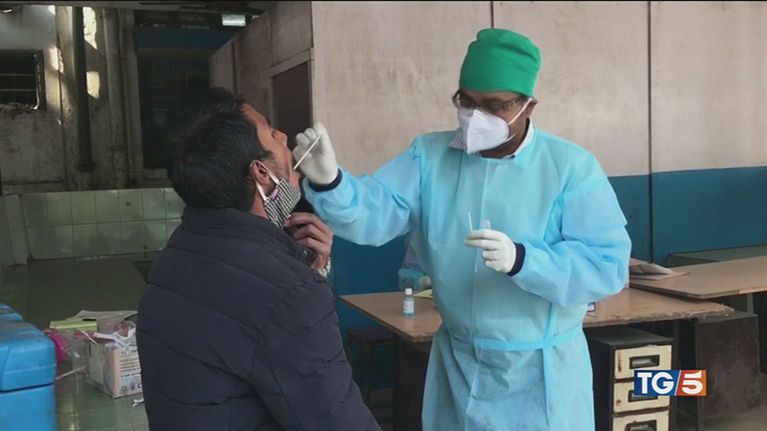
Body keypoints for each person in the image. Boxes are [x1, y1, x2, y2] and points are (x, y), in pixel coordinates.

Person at [294, 29, 632, 430]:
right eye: (466, 101)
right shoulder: (430, 156)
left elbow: (606, 266)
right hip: (460, 363)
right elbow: (376, 215)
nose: (475, 116)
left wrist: (525, 260)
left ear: (528, 105)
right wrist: (331, 183)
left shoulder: (569, 168)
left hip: (539, 374)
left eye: (494, 106)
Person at [136, 88, 380, 431]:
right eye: (270, 131)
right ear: (261, 173)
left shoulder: (176, 255)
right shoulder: (288, 294)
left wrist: (308, 270)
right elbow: (338, 422)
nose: (283, 136)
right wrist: (303, 284)